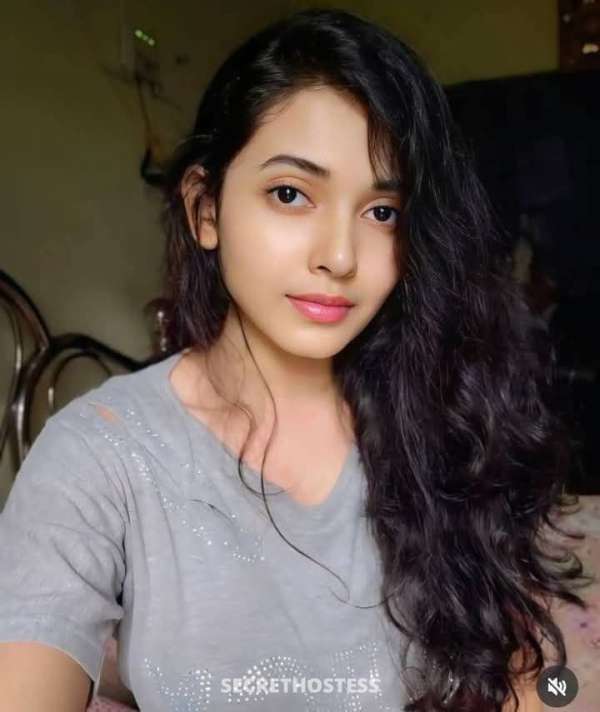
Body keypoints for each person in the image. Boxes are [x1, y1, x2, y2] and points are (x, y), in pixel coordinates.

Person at [0, 8, 593, 712]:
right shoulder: (100, 454)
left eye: (382, 212)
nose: (339, 256)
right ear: (206, 210)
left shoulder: (443, 417)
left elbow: (522, 676)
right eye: (290, 194)